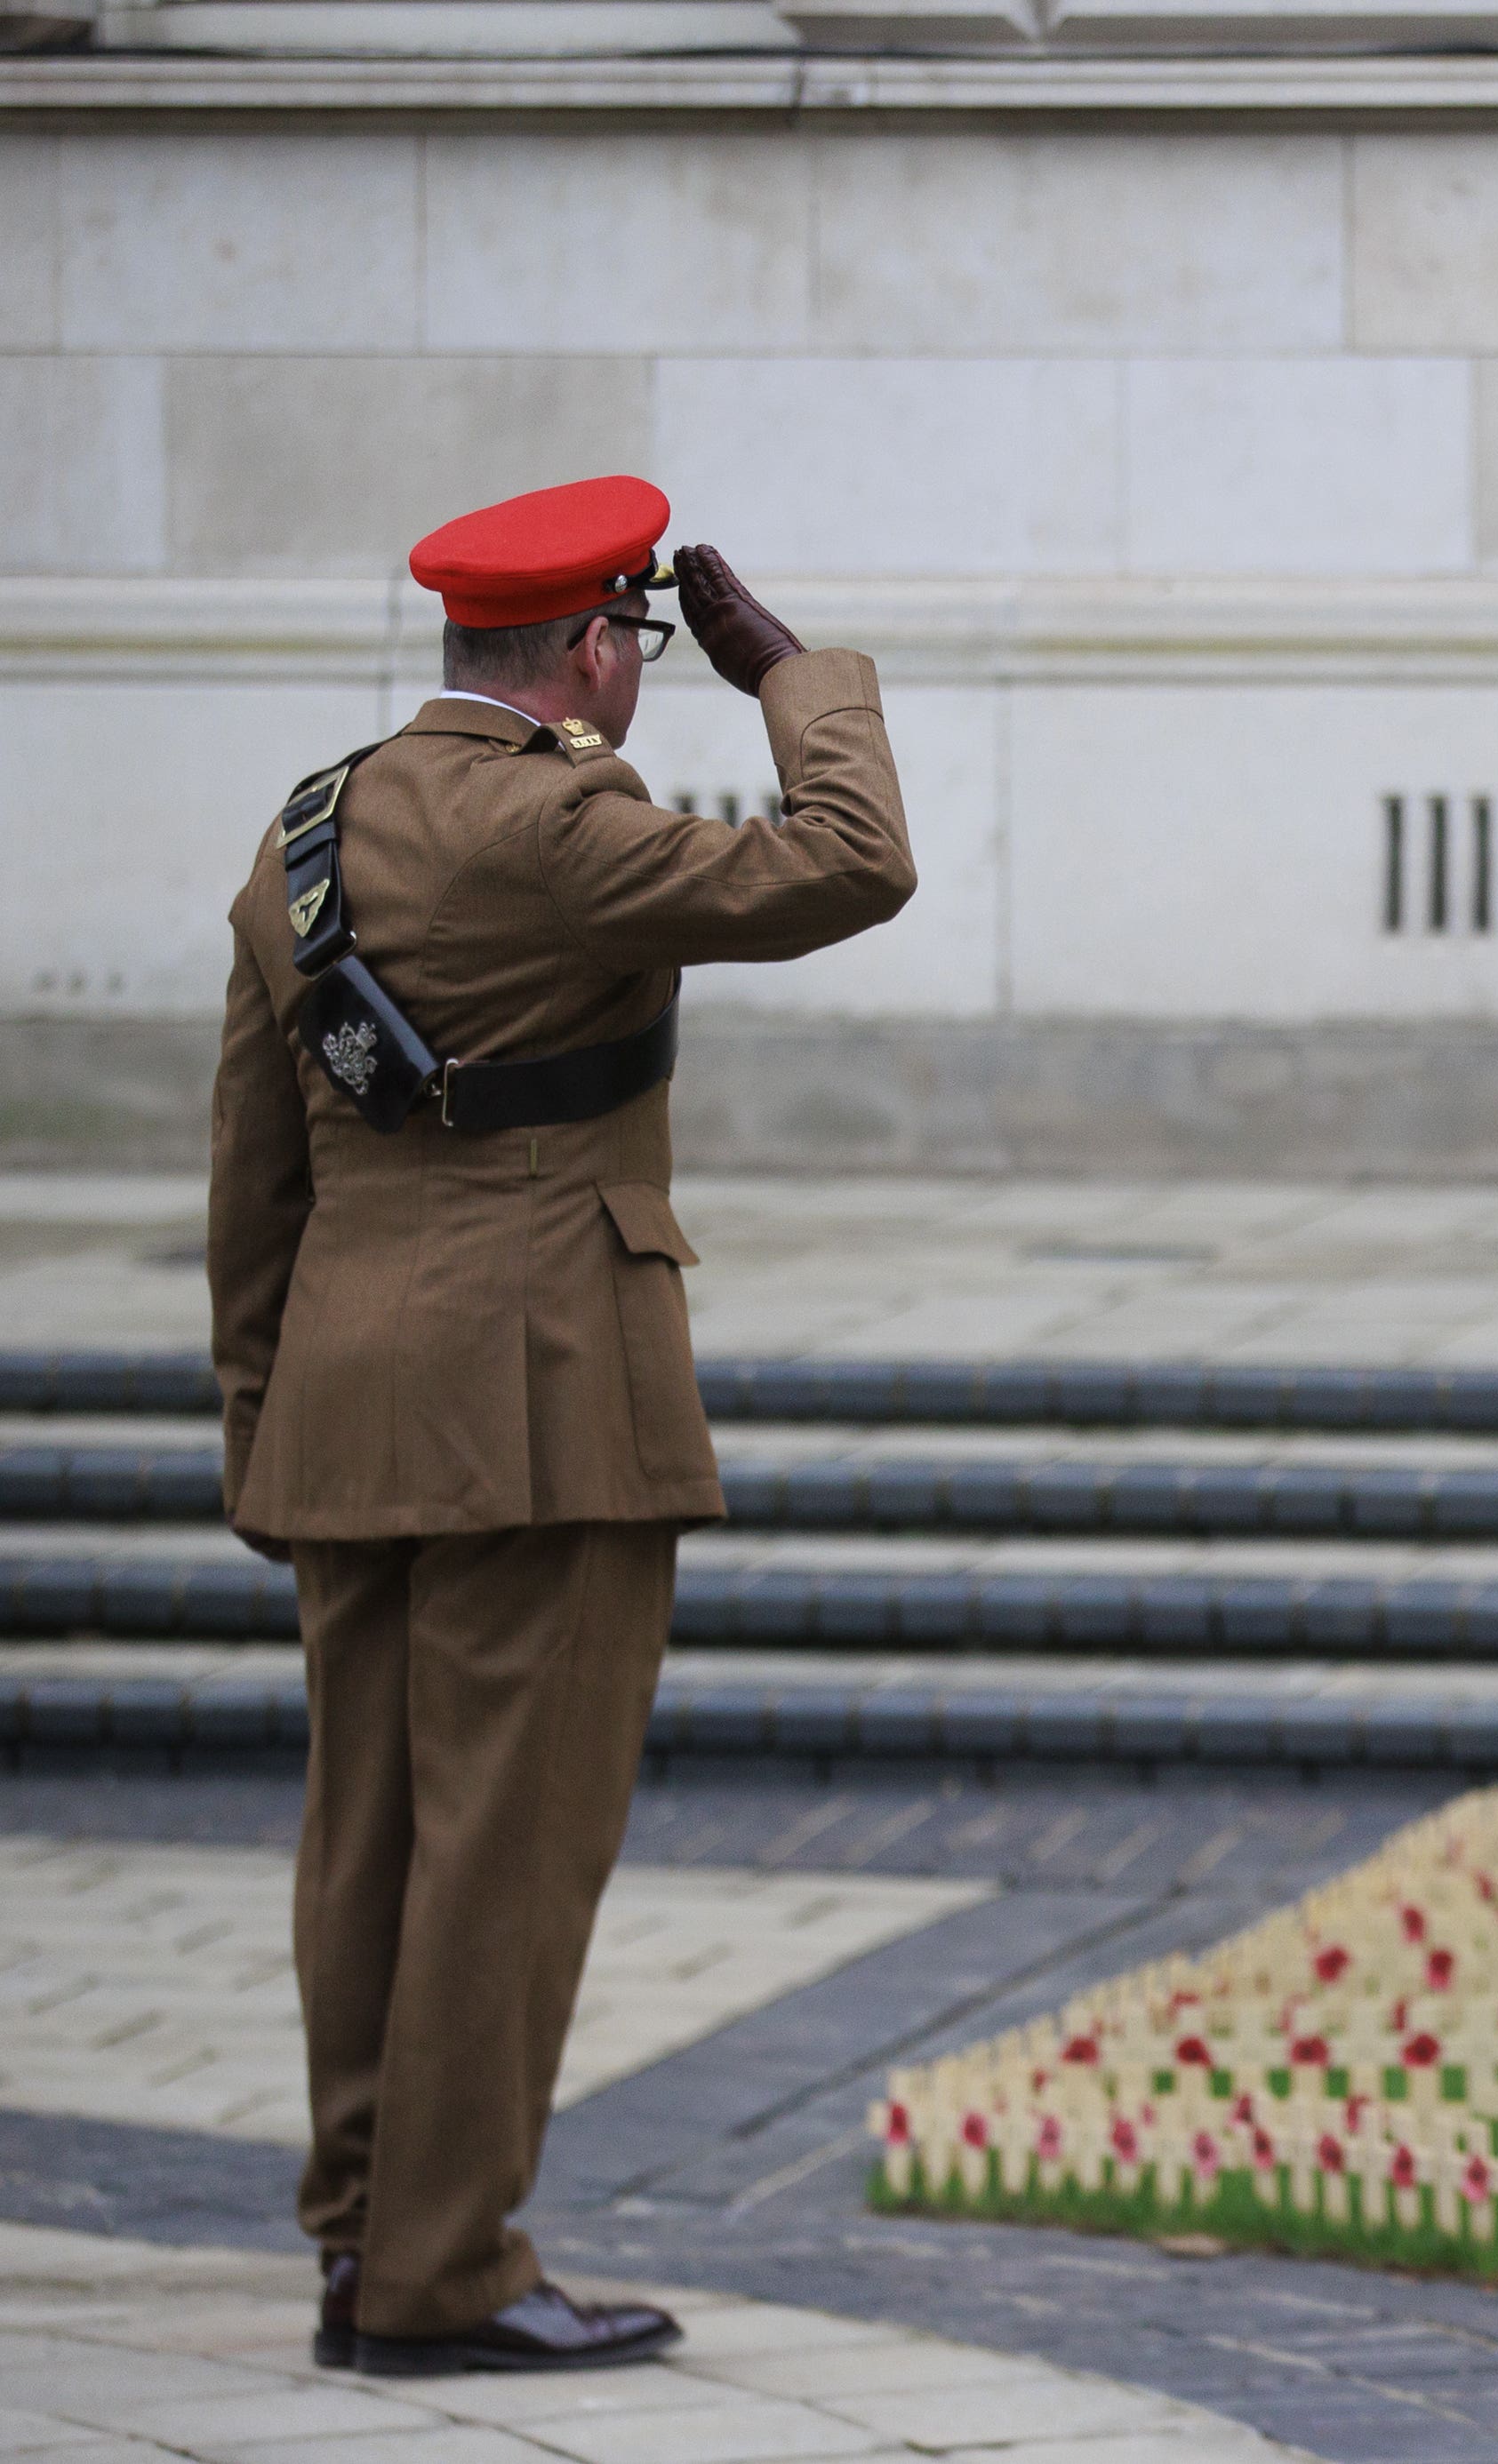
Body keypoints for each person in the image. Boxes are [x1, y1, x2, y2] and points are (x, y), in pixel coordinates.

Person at [206, 475, 916, 2377]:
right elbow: (853, 863)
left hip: (351, 1408)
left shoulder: (309, 835)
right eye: (647, 644)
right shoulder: (565, 823)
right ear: (596, 649)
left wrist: (258, 1428)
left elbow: (253, 1177)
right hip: (543, 1400)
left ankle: (367, 2244)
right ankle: (447, 2278)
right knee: (507, 1860)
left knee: (367, 1850)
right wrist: (800, 677)